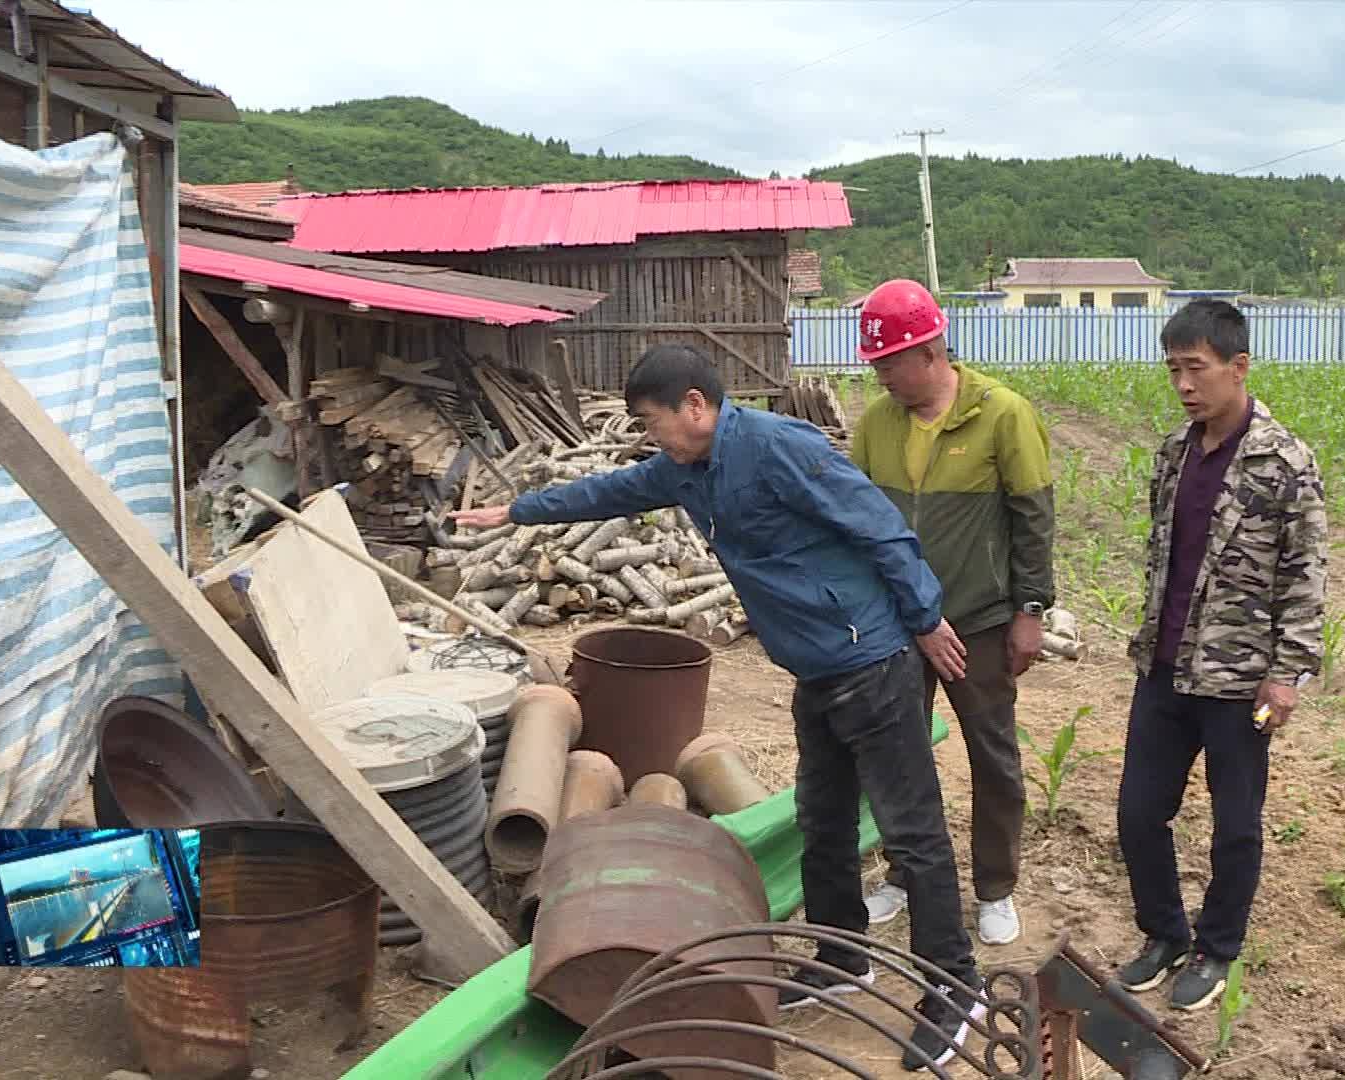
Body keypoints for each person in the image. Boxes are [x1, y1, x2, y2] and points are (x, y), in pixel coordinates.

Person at [449, 344, 984, 1071]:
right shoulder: (686, 469)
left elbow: (875, 524)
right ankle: (838, 959)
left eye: (652, 420)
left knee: (911, 831)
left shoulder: (775, 447)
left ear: (695, 406)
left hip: (871, 660)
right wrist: (515, 510)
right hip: (816, 670)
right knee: (821, 822)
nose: (649, 436)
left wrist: (925, 617)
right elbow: (608, 492)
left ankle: (955, 990)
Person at [1114, 299, 1327, 1011]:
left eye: (1195, 368)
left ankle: (1216, 948)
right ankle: (1165, 933)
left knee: (1236, 825)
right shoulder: (1173, 454)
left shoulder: (1285, 462)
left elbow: (1305, 575)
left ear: (1238, 367)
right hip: (1167, 666)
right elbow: (1162, 559)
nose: (1182, 384)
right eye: (1172, 369)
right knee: (1139, 813)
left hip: (1241, 680)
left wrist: (1289, 671)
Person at [847, 279, 1056, 948]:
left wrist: (1030, 609)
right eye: (875, 366)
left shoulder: (1001, 414)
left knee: (992, 755)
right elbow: (861, 516)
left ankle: (996, 887)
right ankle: (910, 872)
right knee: (898, 755)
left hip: (981, 620)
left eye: (888, 364)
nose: (880, 378)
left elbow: (1033, 518)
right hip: (899, 624)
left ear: (931, 351)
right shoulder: (878, 423)